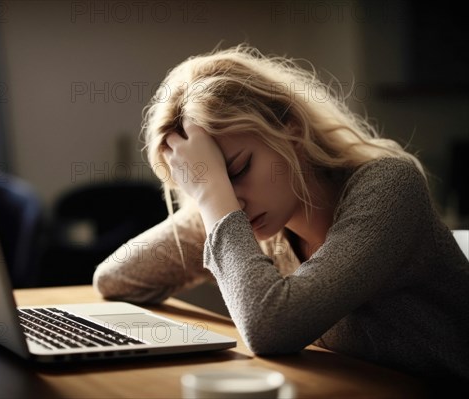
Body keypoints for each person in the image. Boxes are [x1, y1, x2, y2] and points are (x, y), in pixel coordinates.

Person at [92, 44, 469, 385]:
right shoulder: (257, 214)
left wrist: (213, 194)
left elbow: (272, 328)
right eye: (216, 184)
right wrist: (209, 192)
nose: (231, 200)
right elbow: (115, 278)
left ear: (292, 130)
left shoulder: (390, 186)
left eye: (238, 169)